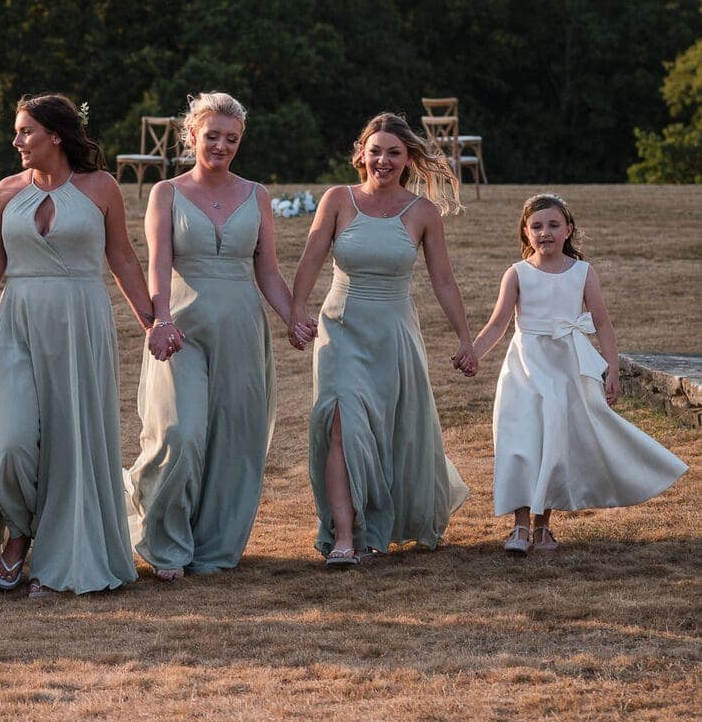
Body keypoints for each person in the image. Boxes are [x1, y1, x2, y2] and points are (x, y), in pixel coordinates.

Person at [0, 93, 156, 598]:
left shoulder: (101, 187)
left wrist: (153, 322)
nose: (17, 141)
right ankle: (17, 532)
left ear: (56, 136)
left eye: (26, 132)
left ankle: (58, 551)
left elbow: (124, 259)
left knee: (72, 442)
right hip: (19, 322)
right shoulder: (5, 191)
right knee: (11, 444)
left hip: (80, 321)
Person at [287, 112, 473, 567]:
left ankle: (376, 528)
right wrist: (296, 312)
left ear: (408, 158)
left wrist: (466, 338)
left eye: (394, 152)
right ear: (361, 154)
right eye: (376, 151)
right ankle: (345, 537)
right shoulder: (337, 199)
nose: (383, 161)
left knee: (386, 432)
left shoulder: (422, 212)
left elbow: (443, 281)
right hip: (341, 329)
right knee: (339, 425)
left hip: (393, 333)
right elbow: (311, 258)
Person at [125, 93, 291, 580]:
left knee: (236, 439)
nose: (222, 145)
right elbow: (157, 265)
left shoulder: (257, 194)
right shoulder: (166, 193)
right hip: (181, 328)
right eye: (213, 136)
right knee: (180, 433)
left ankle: (214, 546)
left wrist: (293, 319)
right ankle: (166, 543)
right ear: (192, 135)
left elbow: (270, 272)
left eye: (232, 139)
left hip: (241, 326)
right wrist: (159, 320)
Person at [468, 193, 687, 553]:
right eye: (536, 226)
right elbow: (497, 324)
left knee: (554, 442)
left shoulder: (582, 273)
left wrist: (611, 369)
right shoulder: (517, 273)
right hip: (525, 367)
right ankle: (519, 527)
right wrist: (472, 353)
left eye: (554, 225)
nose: (545, 233)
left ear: (568, 229)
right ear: (526, 232)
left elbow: (602, 321)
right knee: (522, 442)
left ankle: (543, 527)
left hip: (566, 367)